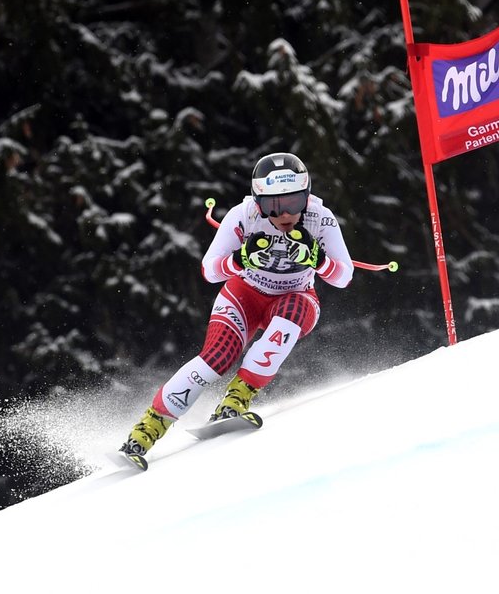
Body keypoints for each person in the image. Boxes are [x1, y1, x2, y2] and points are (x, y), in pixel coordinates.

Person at [121, 152, 353, 459]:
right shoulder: (243, 215)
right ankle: (148, 429)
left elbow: (344, 276)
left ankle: (237, 398)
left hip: (296, 296)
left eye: (294, 203)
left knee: (289, 317)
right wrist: (239, 259)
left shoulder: (320, 218)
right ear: (258, 202)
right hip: (244, 295)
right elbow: (210, 270)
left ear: (307, 197)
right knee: (217, 358)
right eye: (273, 205)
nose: (285, 214)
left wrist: (319, 260)